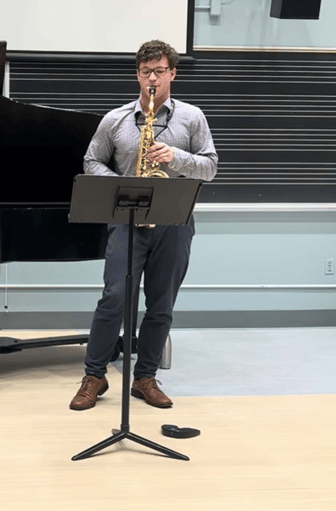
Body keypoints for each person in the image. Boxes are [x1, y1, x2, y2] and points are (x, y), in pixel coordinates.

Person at [69, 40, 218, 410]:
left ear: (172, 74)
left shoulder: (191, 117)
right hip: (127, 222)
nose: (153, 78)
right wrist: (119, 182)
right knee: (114, 298)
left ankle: (145, 377)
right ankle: (94, 375)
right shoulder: (115, 120)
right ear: (137, 75)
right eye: (146, 72)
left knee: (161, 304)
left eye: (160, 71)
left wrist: (177, 156)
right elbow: (91, 161)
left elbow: (210, 166)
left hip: (175, 223)